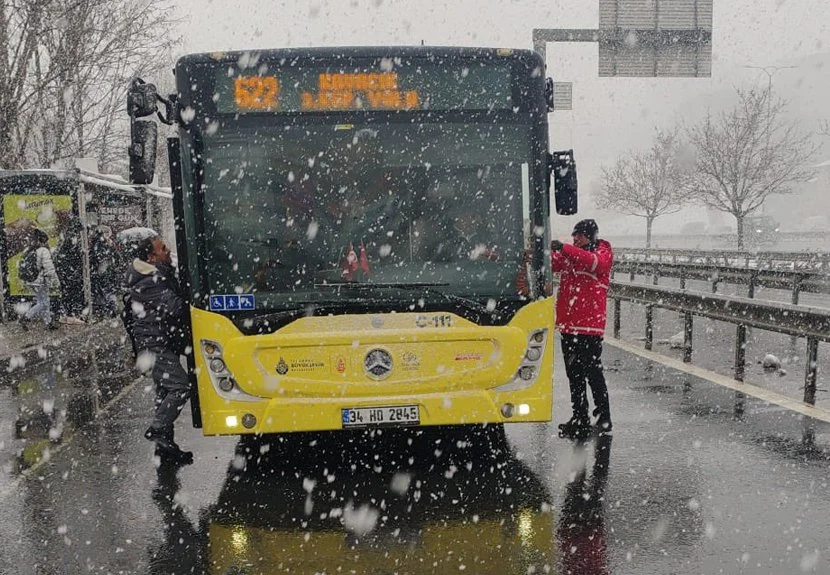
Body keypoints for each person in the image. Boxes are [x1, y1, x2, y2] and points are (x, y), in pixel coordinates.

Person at [126, 236, 193, 464]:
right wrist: (194, 297)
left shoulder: (154, 275)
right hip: (154, 342)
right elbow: (175, 307)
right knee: (180, 387)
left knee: (164, 392)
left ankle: (165, 448)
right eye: (162, 248)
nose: (168, 250)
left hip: (158, 340)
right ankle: (158, 429)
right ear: (151, 257)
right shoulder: (151, 279)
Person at [551, 219, 614, 439]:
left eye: (579, 235)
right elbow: (550, 264)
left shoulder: (602, 253)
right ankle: (579, 416)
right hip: (569, 326)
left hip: (589, 327)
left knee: (593, 373)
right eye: (574, 235)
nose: (576, 238)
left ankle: (604, 417)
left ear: (591, 236)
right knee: (574, 374)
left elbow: (595, 264)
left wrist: (564, 248)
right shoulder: (571, 256)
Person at [19, 228, 60, 331]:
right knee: (43, 303)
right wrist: (56, 281)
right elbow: (49, 268)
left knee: (44, 301)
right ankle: (26, 317)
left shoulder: (29, 250)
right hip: (40, 281)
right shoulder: (43, 250)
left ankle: (48, 322)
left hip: (32, 281)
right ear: (44, 240)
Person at [53, 221, 86, 322]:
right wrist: (80, 253)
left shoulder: (65, 235)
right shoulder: (72, 237)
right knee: (74, 292)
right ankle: (73, 314)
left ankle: (68, 314)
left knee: (66, 293)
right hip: (69, 271)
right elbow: (71, 253)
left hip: (64, 271)